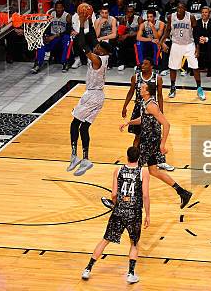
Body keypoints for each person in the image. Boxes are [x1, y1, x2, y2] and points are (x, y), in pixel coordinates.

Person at [82, 146, 150, 284]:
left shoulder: (118, 170)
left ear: (127, 156)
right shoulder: (143, 172)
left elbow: (113, 194)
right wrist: (148, 215)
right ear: (139, 157)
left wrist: (117, 204)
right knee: (134, 243)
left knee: (105, 240)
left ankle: (87, 269)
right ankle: (130, 274)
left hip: (118, 211)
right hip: (134, 213)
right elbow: (146, 195)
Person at [120, 82, 192, 208]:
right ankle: (182, 192)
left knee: (133, 167)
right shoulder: (145, 102)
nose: (140, 88)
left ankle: (123, 200)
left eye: (142, 88)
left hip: (150, 141)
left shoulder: (152, 105)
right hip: (148, 140)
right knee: (153, 171)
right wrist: (128, 122)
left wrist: (162, 144)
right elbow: (144, 119)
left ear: (147, 91)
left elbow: (166, 124)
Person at [67, 4, 113, 176]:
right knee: (84, 128)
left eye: (99, 47)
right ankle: (85, 159)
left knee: (74, 123)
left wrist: (80, 22)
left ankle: (74, 155)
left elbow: (81, 43)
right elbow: (93, 38)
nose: (96, 46)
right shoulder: (103, 55)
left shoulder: (97, 59)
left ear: (102, 51)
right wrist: (90, 21)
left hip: (92, 95)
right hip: (99, 96)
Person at [120, 58, 171, 169]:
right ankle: (134, 158)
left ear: (151, 66)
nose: (142, 65)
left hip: (151, 108)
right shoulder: (136, 77)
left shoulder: (157, 78)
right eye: (142, 64)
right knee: (138, 136)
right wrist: (124, 106)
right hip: (139, 108)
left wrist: (161, 111)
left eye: (145, 64)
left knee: (155, 135)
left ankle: (159, 160)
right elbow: (130, 92)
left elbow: (160, 95)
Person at [161, 2, 205, 100]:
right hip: (176, 44)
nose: (179, 9)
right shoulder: (171, 17)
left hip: (189, 44)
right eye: (178, 7)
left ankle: (199, 88)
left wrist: (197, 48)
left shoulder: (191, 17)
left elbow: (196, 33)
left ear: (185, 9)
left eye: (182, 8)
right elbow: (167, 30)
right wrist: (161, 42)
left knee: (195, 67)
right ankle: (172, 87)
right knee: (173, 67)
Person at [32, 1, 72, 74]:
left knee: (67, 39)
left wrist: (55, 36)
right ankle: (38, 64)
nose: (59, 9)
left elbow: (68, 31)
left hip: (61, 37)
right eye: (57, 8)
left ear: (63, 8)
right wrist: (45, 36)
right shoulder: (51, 14)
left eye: (60, 8)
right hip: (53, 38)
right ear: (55, 8)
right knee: (41, 42)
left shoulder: (67, 16)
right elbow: (46, 27)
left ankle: (65, 63)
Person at [194, 7, 211, 77]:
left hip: (209, 42)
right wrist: (199, 39)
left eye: (206, 12)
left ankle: (210, 69)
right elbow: (194, 34)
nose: (204, 14)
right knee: (193, 44)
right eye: (202, 12)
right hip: (199, 42)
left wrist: (206, 39)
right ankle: (194, 68)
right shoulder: (197, 22)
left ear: (209, 14)